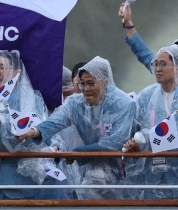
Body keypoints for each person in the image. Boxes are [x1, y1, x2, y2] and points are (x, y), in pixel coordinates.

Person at [21, 57, 136, 199]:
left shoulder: (124, 103)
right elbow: (57, 120)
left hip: (118, 171)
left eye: (90, 83)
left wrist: (79, 152)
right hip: (86, 170)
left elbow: (115, 142)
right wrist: (34, 131)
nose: (86, 89)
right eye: (82, 84)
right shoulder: (76, 102)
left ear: (104, 81)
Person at [123, 45, 178, 199]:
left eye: (163, 64)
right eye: (155, 64)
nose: (158, 69)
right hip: (153, 176)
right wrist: (134, 144)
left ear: (177, 68)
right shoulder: (146, 97)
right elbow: (136, 131)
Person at [0, 50, 53, 199]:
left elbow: (33, 138)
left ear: (16, 72)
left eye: (2, 68)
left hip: (15, 180)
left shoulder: (29, 99)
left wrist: (1, 125)